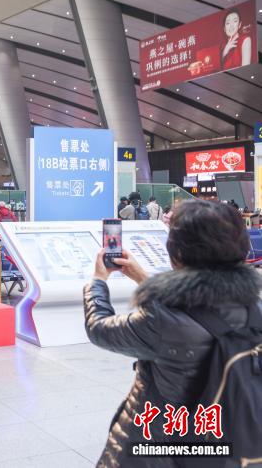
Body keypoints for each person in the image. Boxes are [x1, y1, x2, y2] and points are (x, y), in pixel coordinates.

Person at [83, 199, 261, 467]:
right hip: (227, 440)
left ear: (177, 254)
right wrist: (142, 277)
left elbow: (99, 329)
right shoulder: (255, 306)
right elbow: (196, 311)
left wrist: (98, 281)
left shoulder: (161, 320)